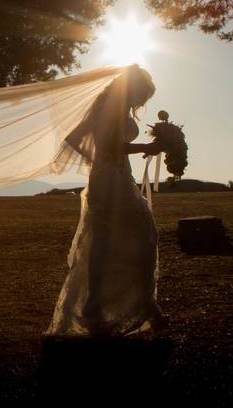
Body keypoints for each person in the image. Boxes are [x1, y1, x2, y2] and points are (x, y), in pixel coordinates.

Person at [44, 64, 167, 339]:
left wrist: (101, 160)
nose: (142, 102)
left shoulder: (112, 107)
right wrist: (142, 149)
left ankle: (125, 305)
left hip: (116, 178)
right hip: (109, 181)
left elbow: (83, 140)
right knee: (116, 239)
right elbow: (107, 145)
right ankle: (100, 306)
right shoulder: (111, 108)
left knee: (122, 238)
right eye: (142, 95)